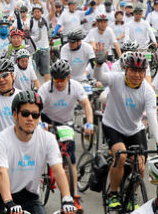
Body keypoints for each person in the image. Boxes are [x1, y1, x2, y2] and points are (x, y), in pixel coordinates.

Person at [93, 44, 158, 211]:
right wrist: (99, 64)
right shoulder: (116, 79)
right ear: (126, 69)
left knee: (140, 164)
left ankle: (131, 195)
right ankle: (113, 194)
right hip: (113, 125)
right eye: (133, 70)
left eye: (141, 71)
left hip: (134, 128)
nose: (137, 75)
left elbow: (152, 118)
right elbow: (99, 77)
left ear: (145, 72)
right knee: (120, 156)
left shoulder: (148, 92)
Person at [0, 91, 76, 214]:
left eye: (35, 115)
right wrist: (9, 202)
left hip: (29, 197)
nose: (30, 118)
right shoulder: (1, 139)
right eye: (25, 114)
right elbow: (1, 172)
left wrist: (67, 198)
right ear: (15, 115)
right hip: (3, 197)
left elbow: (58, 170)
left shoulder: (48, 138)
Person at [37, 59, 93, 212]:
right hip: (47, 120)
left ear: (68, 78)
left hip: (65, 122)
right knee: (43, 149)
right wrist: (40, 123)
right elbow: (36, 108)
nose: (59, 83)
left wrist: (89, 123)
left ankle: (73, 194)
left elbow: (86, 104)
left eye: (62, 80)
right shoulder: (44, 88)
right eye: (56, 80)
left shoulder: (75, 86)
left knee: (70, 160)